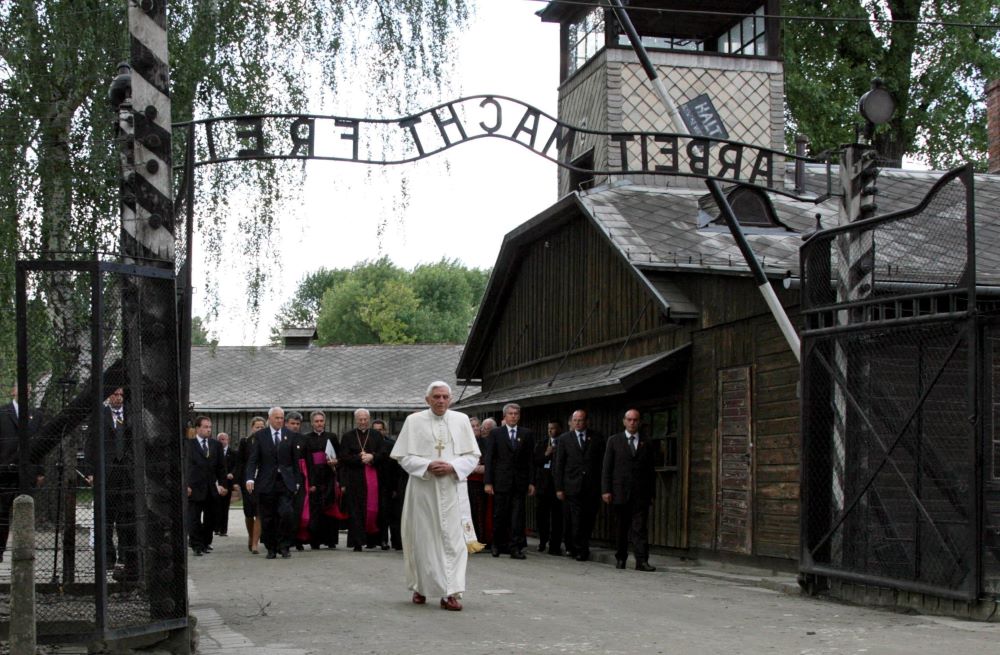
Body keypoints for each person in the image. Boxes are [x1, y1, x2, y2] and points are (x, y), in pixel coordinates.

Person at [390, 381, 480, 611]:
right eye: (436, 397)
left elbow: (472, 457)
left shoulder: (461, 420)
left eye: (445, 397)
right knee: (424, 540)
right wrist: (427, 464)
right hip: (423, 489)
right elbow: (404, 457)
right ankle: (421, 586)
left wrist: (453, 466)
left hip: (452, 488)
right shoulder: (414, 421)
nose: (441, 401)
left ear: (450, 399)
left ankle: (451, 593)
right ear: (427, 399)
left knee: (454, 541)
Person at [84, 386, 138, 578]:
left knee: (127, 515)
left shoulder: (133, 414)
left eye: (121, 395)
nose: (118, 398)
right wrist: (90, 471)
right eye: (115, 395)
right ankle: (107, 557)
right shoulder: (100, 415)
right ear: (109, 396)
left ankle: (125, 556)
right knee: (106, 517)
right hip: (107, 471)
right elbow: (90, 442)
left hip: (127, 472)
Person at [602, 409, 657, 572]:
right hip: (619, 492)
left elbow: (650, 470)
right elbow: (607, 468)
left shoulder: (646, 442)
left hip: (640, 493)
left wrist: (652, 493)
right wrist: (606, 490)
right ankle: (621, 558)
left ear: (639, 422)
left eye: (635, 420)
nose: (632, 423)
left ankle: (642, 561)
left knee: (640, 528)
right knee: (621, 528)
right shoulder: (614, 441)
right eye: (629, 420)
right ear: (624, 421)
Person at [245, 407, 302, 559]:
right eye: (276, 418)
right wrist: (250, 478)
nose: (279, 420)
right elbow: (253, 459)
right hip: (266, 482)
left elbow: (295, 462)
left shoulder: (290, 435)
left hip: (285, 482)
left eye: (282, 418)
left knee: (287, 513)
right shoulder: (260, 436)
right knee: (268, 517)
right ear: (269, 418)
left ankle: (284, 546)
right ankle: (271, 548)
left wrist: (297, 481)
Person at [483, 403, 535, 559]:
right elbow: (490, 458)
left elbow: (530, 460)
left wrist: (531, 482)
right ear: (504, 416)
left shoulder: (526, 434)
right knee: (500, 515)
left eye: (516, 414)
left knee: (517, 516)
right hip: (501, 481)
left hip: (519, 482)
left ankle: (515, 547)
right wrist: (488, 482)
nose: (513, 416)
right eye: (511, 413)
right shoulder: (496, 433)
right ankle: (497, 545)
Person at [0, 384, 44, 563]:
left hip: (27, 472)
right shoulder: (2, 412)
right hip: (4, 470)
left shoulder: (37, 416)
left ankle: (24, 552)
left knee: (25, 511)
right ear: (13, 391)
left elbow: (42, 444)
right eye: (21, 388)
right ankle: (0, 550)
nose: (25, 392)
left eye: (28, 389)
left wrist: (40, 471)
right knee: (1, 513)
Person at [555, 409, 605, 562]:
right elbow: (559, 464)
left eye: (580, 420)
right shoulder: (564, 439)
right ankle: (580, 548)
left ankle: (583, 543)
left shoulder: (596, 438)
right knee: (577, 518)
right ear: (571, 422)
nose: (578, 423)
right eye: (575, 420)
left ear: (586, 421)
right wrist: (559, 487)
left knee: (589, 518)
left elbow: (602, 463)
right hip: (572, 485)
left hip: (592, 486)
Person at [187, 417, 228, 556]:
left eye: (210, 427)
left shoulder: (215, 445)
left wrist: (222, 484)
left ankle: (206, 542)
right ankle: (196, 545)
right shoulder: (189, 445)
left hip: (211, 488)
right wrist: (186, 485)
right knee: (194, 518)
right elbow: (185, 467)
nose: (208, 429)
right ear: (197, 428)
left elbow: (221, 467)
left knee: (211, 518)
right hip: (194, 487)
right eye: (205, 427)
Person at [301, 410, 341, 549]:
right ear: (312, 423)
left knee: (330, 506)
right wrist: (310, 481)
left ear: (325, 422)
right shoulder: (306, 438)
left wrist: (336, 462)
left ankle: (330, 540)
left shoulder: (332, 436)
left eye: (321, 421)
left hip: (329, 475)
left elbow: (339, 455)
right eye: (316, 421)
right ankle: (315, 541)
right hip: (314, 476)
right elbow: (306, 460)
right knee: (315, 509)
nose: (319, 423)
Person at [533, 419, 564, 555]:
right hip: (543, 486)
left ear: (559, 429)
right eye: (549, 428)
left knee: (557, 517)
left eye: (554, 428)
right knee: (542, 516)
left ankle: (555, 544)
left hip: (557, 486)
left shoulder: (563, 442)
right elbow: (535, 461)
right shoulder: (542, 444)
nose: (551, 431)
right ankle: (542, 540)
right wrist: (546, 454)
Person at [236, 416, 265, 554]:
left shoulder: (267, 442)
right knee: (249, 513)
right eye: (257, 427)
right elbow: (240, 462)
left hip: (262, 481)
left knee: (259, 512)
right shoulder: (245, 442)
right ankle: (251, 535)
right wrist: (239, 481)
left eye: (261, 427)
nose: (259, 429)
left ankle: (255, 543)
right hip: (247, 481)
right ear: (252, 428)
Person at [374, 418, 403, 550]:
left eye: (380, 430)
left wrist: (396, 487)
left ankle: (396, 541)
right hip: (375, 482)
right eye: (375, 430)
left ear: (385, 430)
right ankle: (382, 540)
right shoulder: (369, 444)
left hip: (390, 483)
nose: (378, 432)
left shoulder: (392, 444)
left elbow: (397, 467)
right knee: (381, 514)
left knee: (394, 514)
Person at [285, 411, 310, 550]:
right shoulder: (281, 437)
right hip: (284, 477)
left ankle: (297, 539)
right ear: (286, 423)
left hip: (300, 477)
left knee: (299, 510)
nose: (295, 426)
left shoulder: (303, 439)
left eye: (297, 424)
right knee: (285, 510)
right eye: (292, 423)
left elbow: (308, 461)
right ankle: (285, 539)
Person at [214, 432, 237, 537]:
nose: (222, 441)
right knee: (216, 506)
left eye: (224, 439)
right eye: (220, 439)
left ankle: (224, 529)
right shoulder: (213, 452)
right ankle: (216, 528)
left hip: (227, 482)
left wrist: (232, 473)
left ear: (228, 440)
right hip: (217, 483)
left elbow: (236, 466)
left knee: (225, 506)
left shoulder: (233, 453)